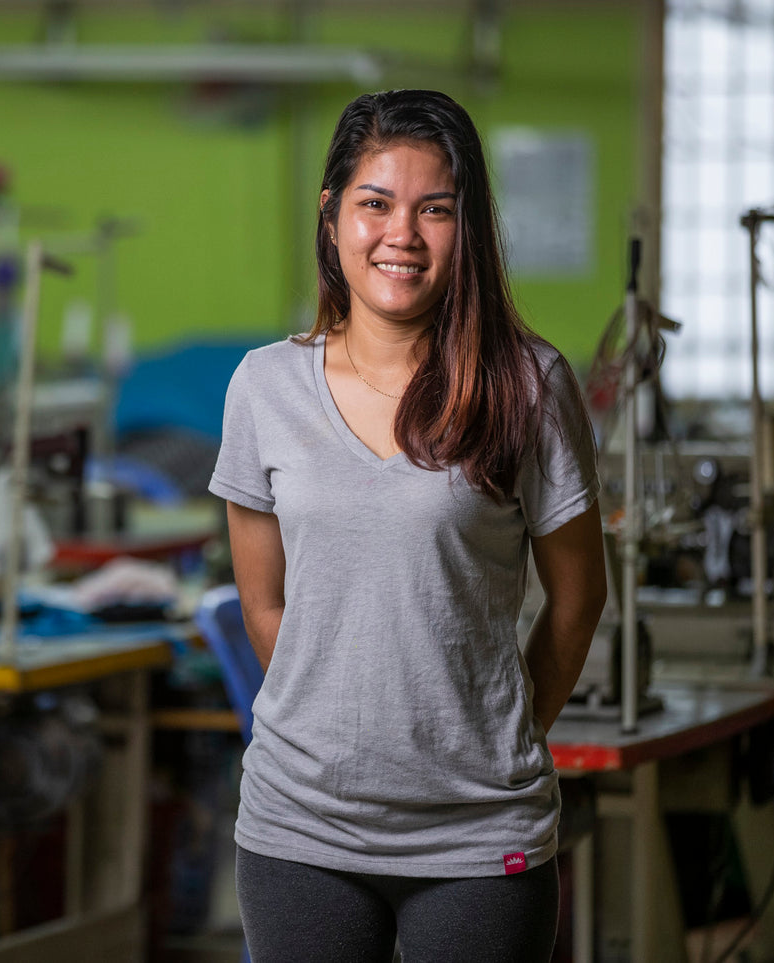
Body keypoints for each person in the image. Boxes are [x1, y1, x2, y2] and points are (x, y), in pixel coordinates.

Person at [208, 89, 608, 962]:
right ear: (332, 215)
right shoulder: (263, 388)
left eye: (435, 209)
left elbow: (578, 598)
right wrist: (343, 719)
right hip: (299, 826)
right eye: (375, 204)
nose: (403, 234)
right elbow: (265, 605)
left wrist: (494, 730)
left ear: (469, 226)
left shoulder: (529, 385)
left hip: (477, 829)